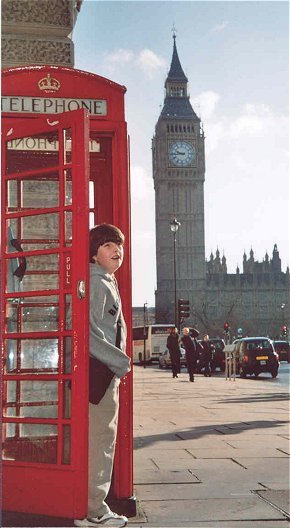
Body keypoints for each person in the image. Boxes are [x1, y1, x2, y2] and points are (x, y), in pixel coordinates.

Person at [75, 224, 131, 528]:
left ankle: (85, 505)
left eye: (119, 245)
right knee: (101, 441)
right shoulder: (97, 283)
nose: (117, 251)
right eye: (108, 245)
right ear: (94, 254)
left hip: (98, 374)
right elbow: (87, 333)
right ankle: (94, 510)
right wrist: (120, 363)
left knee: (96, 440)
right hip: (100, 374)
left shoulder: (103, 281)